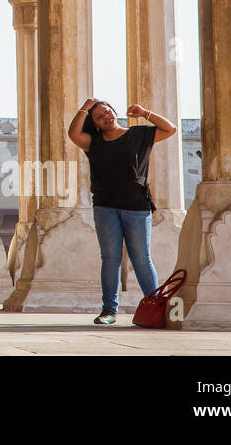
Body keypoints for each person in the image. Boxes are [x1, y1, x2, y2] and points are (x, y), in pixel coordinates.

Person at [69, 97, 177, 325]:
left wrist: (144, 112)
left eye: (107, 111)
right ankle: (109, 311)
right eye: (99, 116)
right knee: (110, 259)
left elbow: (170, 128)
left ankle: (155, 309)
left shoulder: (139, 135)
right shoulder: (93, 142)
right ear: (95, 124)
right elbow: (73, 134)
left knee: (142, 259)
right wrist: (85, 108)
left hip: (136, 206)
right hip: (105, 206)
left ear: (114, 112)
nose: (105, 116)